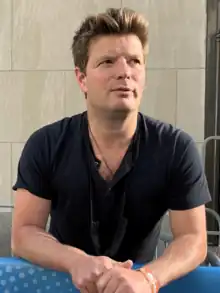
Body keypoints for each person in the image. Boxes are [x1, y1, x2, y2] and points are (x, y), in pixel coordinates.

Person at [11, 7, 211, 293]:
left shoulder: (176, 148)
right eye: (107, 62)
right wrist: (75, 261)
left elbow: (193, 238)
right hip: (64, 281)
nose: (124, 72)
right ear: (81, 79)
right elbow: (24, 233)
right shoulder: (45, 144)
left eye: (134, 61)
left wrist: (148, 279)